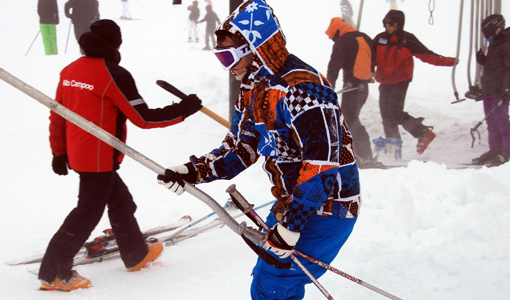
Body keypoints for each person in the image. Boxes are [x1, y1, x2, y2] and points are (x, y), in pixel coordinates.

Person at [157, 1, 360, 299]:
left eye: (230, 56)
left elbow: (322, 164)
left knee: (276, 281)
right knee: (266, 279)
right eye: (220, 58)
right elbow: (241, 149)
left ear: (257, 48)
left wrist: (291, 227)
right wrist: (192, 171)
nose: (229, 67)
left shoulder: (305, 88)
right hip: (294, 206)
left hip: (329, 207)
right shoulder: (253, 91)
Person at [39, 19, 203, 292]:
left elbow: (58, 114)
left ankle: (136, 254)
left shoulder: (70, 71)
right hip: (99, 158)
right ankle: (55, 273)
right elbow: (144, 118)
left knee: (121, 203)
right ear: (115, 44)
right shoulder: (114, 74)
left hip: (81, 154)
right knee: (86, 213)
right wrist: (183, 109)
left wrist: (59, 152)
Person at [372, 10, 457, 156]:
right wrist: (369, 70)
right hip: (384, 81)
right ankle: (393, 150)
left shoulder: (407, 40)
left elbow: (427, 55)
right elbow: (369, 57)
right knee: (386, 115)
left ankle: (424, 133)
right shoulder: (379, 39)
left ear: (399, 25)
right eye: (385, 23)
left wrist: (450, 61)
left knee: (394, 112)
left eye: (391, 24)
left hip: (400, 81)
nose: (388, 27)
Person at [325, 17, 380, 168]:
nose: (335, 40)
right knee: (351, 118)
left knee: (350, 119)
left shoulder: (343, 41)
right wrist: (369, 72)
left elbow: (334, 66)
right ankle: (360, 154)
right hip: (363, 87)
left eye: (334, 37)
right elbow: (374, 57)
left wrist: (328, 88)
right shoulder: (365, 37)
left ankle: (364, 155)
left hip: (352, 85)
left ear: (337, 31)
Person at [471, 14, 510, 167]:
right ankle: (496, 149)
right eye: (485, 35)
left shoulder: (508, 44)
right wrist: (483, 61)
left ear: (499, 29)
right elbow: (495, 65)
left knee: (501, 121)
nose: (487, 38)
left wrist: (506, 88)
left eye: (489, 34)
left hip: (500, 89)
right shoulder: (496, 42)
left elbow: (509, 69)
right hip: (489, 87)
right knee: (491, 122)